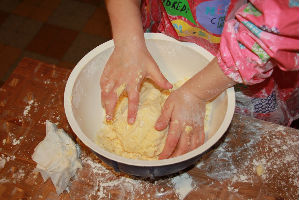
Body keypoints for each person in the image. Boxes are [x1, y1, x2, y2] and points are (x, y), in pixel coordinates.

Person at [100, 0, 299, 159]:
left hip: (250, 69)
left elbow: (279, 26)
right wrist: (128, 40)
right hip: (170, 29)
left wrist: (196, 93)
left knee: (248, 141)